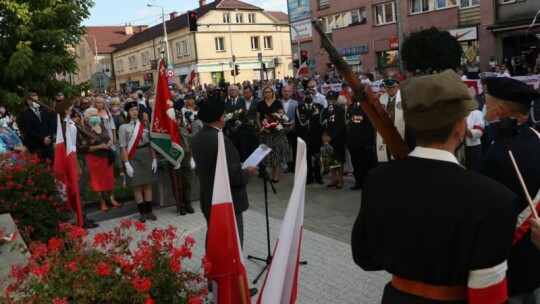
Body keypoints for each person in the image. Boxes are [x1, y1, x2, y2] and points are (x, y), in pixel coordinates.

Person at [352, 70, 519, 303]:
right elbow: (488, 295)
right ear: (461, 126)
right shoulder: (494, 199)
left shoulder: (377, 180)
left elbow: (365, 257)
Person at [476, 76, 540, 303]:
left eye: (487, 106)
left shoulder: (497, 157)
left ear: (499, 112)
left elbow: (485, 220)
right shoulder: (537, 138)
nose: (484, 113)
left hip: (511, 270)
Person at [191, 98, 257, 246]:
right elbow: (234, 177)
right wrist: (248, 172)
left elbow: (212, 164)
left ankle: (212, 267)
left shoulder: (197, 138)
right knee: (232, 242)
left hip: (208, 197)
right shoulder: (221, 139)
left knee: (215, 239)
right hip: (227, 199)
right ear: (220, 117)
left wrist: (235, 164)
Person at [55, 100, 99, 229]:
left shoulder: (64, 124)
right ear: (65, 110)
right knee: (80, 192)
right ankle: (82, 219)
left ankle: (83, 217)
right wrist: (77, 166)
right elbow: (72, 147)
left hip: (72, 160)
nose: (72, 109)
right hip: (76, 160)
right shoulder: (69, 126)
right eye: (70, 107)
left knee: (79, 192)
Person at [118, 101, 158, 222]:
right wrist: (126, 163)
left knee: (147, 184)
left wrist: (154, 159)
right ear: (127, 113)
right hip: (133, 157)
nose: (135, 111)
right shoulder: (123, 127)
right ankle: (142, 213)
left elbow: (151, 143)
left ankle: (150, 211)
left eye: (136, 109)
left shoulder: (145, 124)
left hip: (146, 154)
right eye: (132, 110)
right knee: (136, 186)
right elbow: (123, 147)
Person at [79, 107, 120, 211]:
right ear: (87, 118)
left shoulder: (101, 125)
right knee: (98, 181)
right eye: (92, 115)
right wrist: (99, 147)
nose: (95, 117)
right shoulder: (85, 130)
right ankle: (102, 202)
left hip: (106, 157)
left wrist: (109, 143)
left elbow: (108, 138)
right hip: (94, 159)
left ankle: (112, 199)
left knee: (109, 179)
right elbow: (84, 148)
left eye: (96, 115)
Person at [256, 85, 291, 182]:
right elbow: (258, 118)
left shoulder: (277, 103)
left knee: (277, 153)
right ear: (263, 94)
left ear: (272, 93)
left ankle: (276, 175)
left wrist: (277, 125)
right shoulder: (260, 104)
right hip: (266, 133)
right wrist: (261, 128)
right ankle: (273, 173)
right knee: (270, 154)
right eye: (265, 92)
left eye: (269, 92)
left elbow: (281, 116)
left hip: (276, 132)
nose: (267, 94)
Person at [172, 94, 198, 215]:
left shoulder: (184, 129)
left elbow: (189, 144)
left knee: (187, 182)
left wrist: (192, 157)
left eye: (179, 119)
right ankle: (180, 204)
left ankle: (188, 203)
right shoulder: (170, 132)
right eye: (175, 119)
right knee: (178, 183)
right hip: (176, 158)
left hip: (186, 156)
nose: (178, 121)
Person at [346, 96, 375, 190]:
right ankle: (359, 182)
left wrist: (369, 142)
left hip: (363, 143)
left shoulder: (366, 107)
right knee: (356, 164)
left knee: (366, 164)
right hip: (352, 142)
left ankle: (368, 184)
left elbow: (369, 127)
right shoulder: (350, 107)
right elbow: (347, 125)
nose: (351, 95)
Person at [295, 88, 324, 185]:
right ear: (303, 96)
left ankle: (318, 177)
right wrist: (298, 139)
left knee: (317, 158)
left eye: (310, 95)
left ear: (313, 96)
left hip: (316, 138)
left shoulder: (319, 107)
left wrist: (322, 137)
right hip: (304, 138)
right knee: (306, 159)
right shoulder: (299, 108)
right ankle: (309, 177)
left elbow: (322, 124)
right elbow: (298, 125)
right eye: (306, 95)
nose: (308, 96)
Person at [19, 92, 55, 163]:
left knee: (51, 164)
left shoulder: (45, 111)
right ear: (28, 101)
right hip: (36, 146)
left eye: (37, 100)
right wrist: (42, 139)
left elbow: (51, 125)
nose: (36, 102)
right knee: (40, 167)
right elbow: (29, 130)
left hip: (48, 144)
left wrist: (50, 137)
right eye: (34, 101)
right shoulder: (25, 114)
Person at [320, 91, 346, 189]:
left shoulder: (341, 110)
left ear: (336, 100)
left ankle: (340, 179)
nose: (331, 101)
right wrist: (323, 135)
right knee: (330, 159)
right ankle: (333, 178)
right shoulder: (324, 111)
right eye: (329, 99)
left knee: (339, 160)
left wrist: (331, 137)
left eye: (333, 100)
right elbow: (322, 124)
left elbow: (341, 126)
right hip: (326, 139)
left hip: (337, 139)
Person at [375, 78, 404, 163]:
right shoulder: (382, 98)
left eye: (392, 87)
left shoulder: (403, 97)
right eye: (387, 88)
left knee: (399, 157)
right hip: (385, 133)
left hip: (399, 132)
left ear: (397, 87)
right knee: (386, 155)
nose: (389, 90)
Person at [280, 85, 298, 173]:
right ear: (281, 92)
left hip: (293, 130)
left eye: (288, 91)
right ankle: (289, 165)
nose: (286, 93)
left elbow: (296, 117)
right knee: (286, 148)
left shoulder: (295, 103)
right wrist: (283, 127)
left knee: (294, 148)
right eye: (284, 91)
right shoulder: (278, 103)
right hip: (282, 130)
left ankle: (295, 166)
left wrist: (290, 127)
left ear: (290, 92)